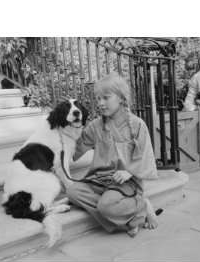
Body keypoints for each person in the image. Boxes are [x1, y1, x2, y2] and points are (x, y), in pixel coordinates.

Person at [66, 72, 159, 237]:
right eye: (98, 99)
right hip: (99, 180)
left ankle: (140, 205)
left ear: (121, 98)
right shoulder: (95, 126)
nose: (100, 103)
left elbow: (146, 156)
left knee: (106, 206)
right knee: (73, 192)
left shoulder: (137, 125)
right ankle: (132, 213)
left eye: (106, 98)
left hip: (124, 183)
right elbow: (76, 151)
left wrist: (129, 172)